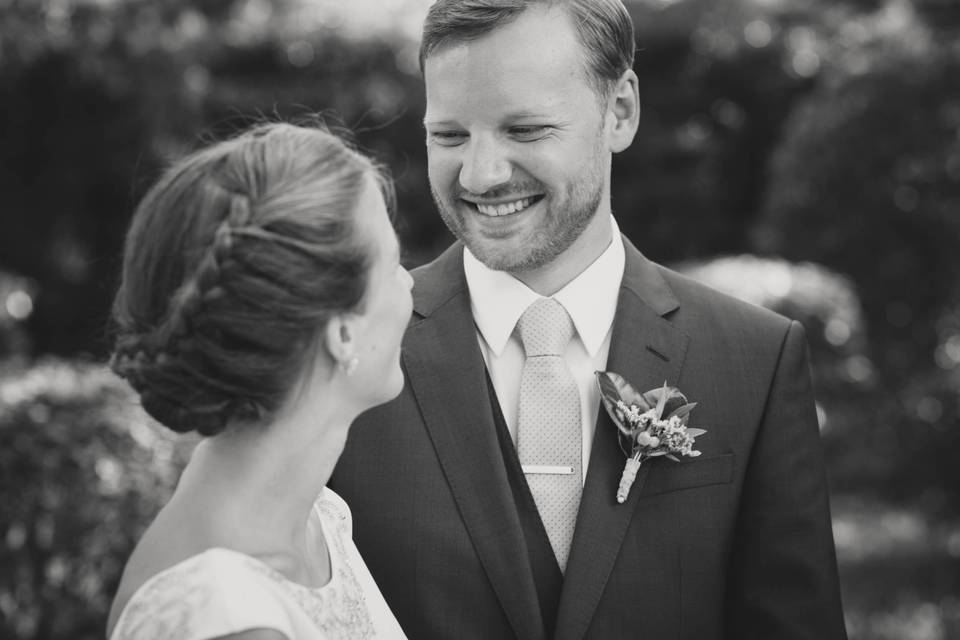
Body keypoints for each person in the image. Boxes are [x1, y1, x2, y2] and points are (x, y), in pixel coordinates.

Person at [330, 1, 847, 639]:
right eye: (451, 135)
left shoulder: (754, 359)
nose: (481, 174)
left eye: (525, 130)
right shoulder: (343, 352)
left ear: (620, 110)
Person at [105, 123, 412, 640]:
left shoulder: (314, 514)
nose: (409, 283)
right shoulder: (231, 620)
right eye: (393, 265)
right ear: (341, 332)